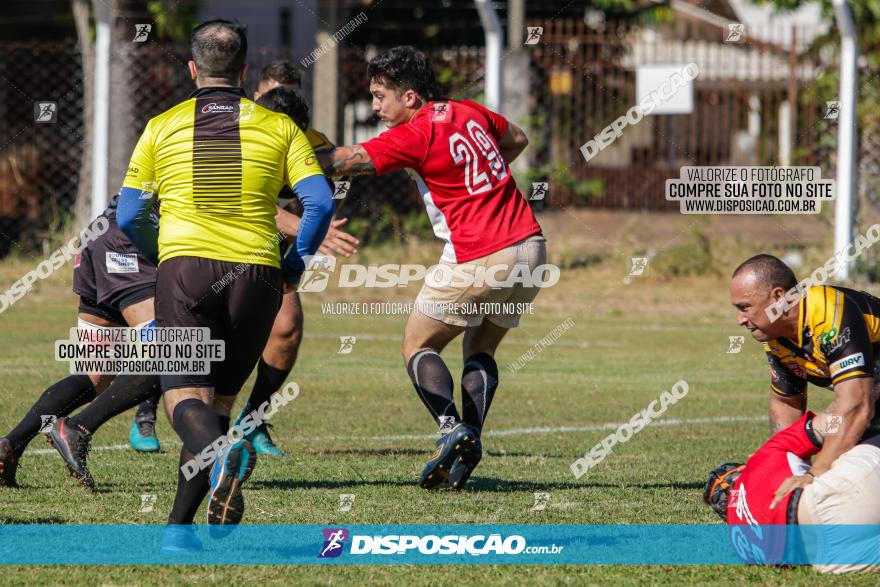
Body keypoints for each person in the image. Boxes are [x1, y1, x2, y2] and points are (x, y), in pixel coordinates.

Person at [117, 20, 333, 545]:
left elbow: (128, 216)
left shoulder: (161, 126)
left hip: (186, 271)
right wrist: (296, 262)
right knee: (216, 405)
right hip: (257, 276)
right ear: (243, 71)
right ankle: (178, 533)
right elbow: (320, 202)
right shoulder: (280, 128)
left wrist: (158, 253)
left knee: (181, 398)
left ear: (193, 69)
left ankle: (225, 456)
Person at [324, 46, 545, 490]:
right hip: (533, 249)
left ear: (409, 97)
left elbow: (345, 161)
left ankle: (450, 429)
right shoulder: (469, 110)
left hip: (482, 254)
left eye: (379, 95)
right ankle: (468, 443)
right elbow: (518, 138)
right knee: (480, 349)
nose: (374, 106)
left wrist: (280, 154)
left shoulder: (416, 133)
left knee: (416, 345)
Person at [0, 194, 160, 487]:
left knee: (94, 374)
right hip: (133, 241)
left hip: (99, 236)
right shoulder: (219, 152)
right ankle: (77, 428)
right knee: (174, 355)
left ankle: (10, 446)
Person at [729, 254, 880, 497]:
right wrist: (776, 463)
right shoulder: (776, 337)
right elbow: (786, 403)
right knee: (829, 429)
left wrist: (815, 475)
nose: (740, 320)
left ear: (778, 297)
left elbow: (857, 405)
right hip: (871, 403)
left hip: (867, 404)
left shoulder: (828, 314)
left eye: (744, 308)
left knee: (847, 466)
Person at [704, 410, 880, 572]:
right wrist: (856, 418)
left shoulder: (740, 544)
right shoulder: (758, 459)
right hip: (830, 500)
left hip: (827, 558)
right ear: (740, 470)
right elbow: (829, 422)